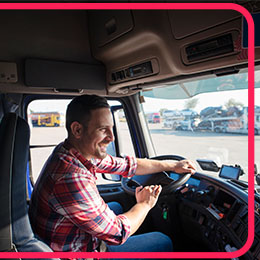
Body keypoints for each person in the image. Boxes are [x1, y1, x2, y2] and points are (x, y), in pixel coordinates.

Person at [29, 94, 196, 253]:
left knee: (116, 207)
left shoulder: (73, 151)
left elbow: (126, 165)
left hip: (72, 237)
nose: (111, 137)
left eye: (112, 128)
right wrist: (145, 204)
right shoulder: (70, 178)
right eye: (103, 129)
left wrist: (173, 165)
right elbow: (118, 233)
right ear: (77, 130)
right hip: (76, 252)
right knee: (161, 240)